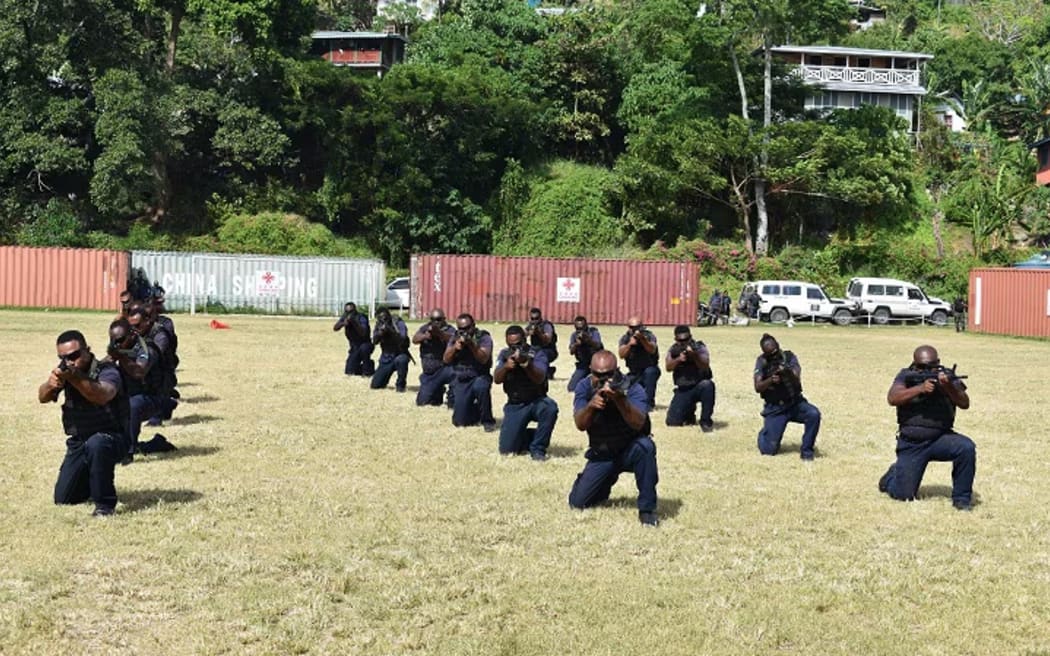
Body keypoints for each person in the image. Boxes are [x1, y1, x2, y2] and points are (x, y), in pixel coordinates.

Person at [38, 329, 129, 517]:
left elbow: (102, 395)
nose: (69, 361)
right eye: (63, 358)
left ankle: (104, 505)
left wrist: (75, 377)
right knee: (64, 498)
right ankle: (93, 479)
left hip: (113, 437)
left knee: (98, 443)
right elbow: (43, 397)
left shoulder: (107, 370)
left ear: (87, 350)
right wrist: (50, 385)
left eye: (74, 355)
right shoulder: (67, 371)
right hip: (80, 440)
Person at [878, 345, 976, 510]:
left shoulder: (947, 377)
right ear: (914, 364)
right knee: (903, 496)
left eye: (930, 365)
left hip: (940, 439)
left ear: (938, 362)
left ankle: (962, 499)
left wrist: (949, 388)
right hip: (912, 444)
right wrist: (919, 388)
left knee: (966, 448)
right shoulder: (906, 375)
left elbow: (965, 403)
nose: (926, 370)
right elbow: (893, 398)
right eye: (921, 367)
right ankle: (891, 476)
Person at [568, 351, 660, 527]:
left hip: (629, 449)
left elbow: (638, 423)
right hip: (602, 452)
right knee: (577, 503)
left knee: (646, 447)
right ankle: (602, 482)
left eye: (608, 375)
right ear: (590, 371)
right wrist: (590, 406)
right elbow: (580, 424)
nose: (603, 380)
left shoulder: (632, 387)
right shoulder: (584, 387)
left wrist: (620, 399)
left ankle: (647, 510)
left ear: (617, 370)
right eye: (598, 375)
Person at [493, 326, 558, 460]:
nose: (515, 349)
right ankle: (526, 434)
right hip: (516, 404)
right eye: (511, 345)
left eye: (518, 344)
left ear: (524, 340)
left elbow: (539, 377)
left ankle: (538, 449)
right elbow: (497, 379)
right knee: (507, 450)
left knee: (550, 408)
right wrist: (506, 367)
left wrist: (526, 364)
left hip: (536, 400)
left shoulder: (537, 353)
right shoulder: (505, 355)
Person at [119, 307, 178, 456]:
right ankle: (152, 444)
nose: (134, 330)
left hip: (156, 392)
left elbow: (142, 368)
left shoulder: (159, 338)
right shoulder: (132, 338)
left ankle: (129, 450)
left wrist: (123, 355)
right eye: (130, 327)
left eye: (137, 326)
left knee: (133, 405)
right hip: (137, 390)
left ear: (148, 321)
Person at [753, 333, 821, 460]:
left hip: (795, 403)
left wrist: (787, 372)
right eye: (770, 354)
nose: (774, 356)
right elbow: (757, 387)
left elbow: (797, 379)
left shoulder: (789, 357)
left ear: (778, 345)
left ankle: (807, 452)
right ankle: (765, 432)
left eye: (775, 351)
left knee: (813, 414)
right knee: (768, 451)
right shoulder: (761, 361)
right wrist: (770, 380)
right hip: (775, 409)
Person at [443, 313, 496, 431]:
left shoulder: (483, 337)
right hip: (462, 378)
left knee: (481, 387)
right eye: (461, 329)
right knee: (459, 422)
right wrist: (455, 348)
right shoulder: (455, 337)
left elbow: (484, 358)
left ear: (473, 326)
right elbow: (446, 359)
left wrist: (472, 345)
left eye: (467, 328)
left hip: (479, 375)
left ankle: (487, 420)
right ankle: (475, 410)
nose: (464, 332)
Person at [664, 325, 716, 432]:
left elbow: (705, 365)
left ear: (690, 337)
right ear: (676, 339)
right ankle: (689, 413)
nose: (683, 342)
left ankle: (705, 421)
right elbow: (668, 367)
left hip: (699, 386)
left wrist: (694, 356)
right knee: (672, 422)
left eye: (686, 339)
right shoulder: (674, 349)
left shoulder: (699, 347)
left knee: (708, 385)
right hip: (684, 389)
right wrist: (678, 359)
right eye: (680, 340)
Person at [413, 308, 456, 407]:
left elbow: (453, 338)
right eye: (433, 319)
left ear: (444, 319)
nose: (435, 322)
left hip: (444, 369)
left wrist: (439, 334)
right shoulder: (425, 328)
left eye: (438, 319)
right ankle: (437, 390)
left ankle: (452, 397)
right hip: (429, 373)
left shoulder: (449, 329)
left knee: (455, 374)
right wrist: (425, 336)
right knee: (422, 402)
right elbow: (415, 339)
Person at [617, 316, 660, 411]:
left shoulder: (649, 336)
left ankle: (648, 404)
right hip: (634, 372)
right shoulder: (625, 338)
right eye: (631, 327)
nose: (634, 330)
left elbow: (652, 349)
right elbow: (621, 354)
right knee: (623, 387)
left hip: (649, 369)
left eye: (637, 327)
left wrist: (642, 340)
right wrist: (629, 345)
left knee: (650, 373)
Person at [370, 308, 411, 392]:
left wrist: (390, 330)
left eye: (385, 317)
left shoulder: (398, 323)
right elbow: (374, 341)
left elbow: (402, 339)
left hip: (399, 354)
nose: (383, 320)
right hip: (386, 357)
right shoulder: (379, 325)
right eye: (380, 318)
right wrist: (380, 333)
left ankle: (400, 385)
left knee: (402, 360)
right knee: (375, 385)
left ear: (389, 315)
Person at [333, 302, 374, 376]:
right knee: (349, 371)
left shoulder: (361, 317)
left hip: (365, 344)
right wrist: (343, 323)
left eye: (350, 312)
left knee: (364, 349)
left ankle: (367, 370)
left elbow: (364, 333)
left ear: (355, 310)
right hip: (354, 347)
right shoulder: (345, 317)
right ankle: (368, 366)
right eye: (347, 312)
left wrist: (354, 322)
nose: (348, 314)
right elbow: (335, 328)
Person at [567, 315, 603, 392]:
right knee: (572, 388)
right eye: (578, 329)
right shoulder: (574, 335)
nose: (580, 331)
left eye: (582, 328)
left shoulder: (593, 332)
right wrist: (576, 344)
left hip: (596, 363)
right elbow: (571, 352)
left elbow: (598, 345)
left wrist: (588, 340)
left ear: (586, 326)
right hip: (583, 364)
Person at [525, 307, 558, 380]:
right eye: (532, 319)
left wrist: (539, 333)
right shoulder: (530, 325)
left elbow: (548, 340)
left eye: (536, 318)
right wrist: (527, 334)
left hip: (548, 350)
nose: (534, 321)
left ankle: (547, 371)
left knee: (541, 356)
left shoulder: (547, 325)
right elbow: (523, 336)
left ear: (540, 318)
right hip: (535, 349)